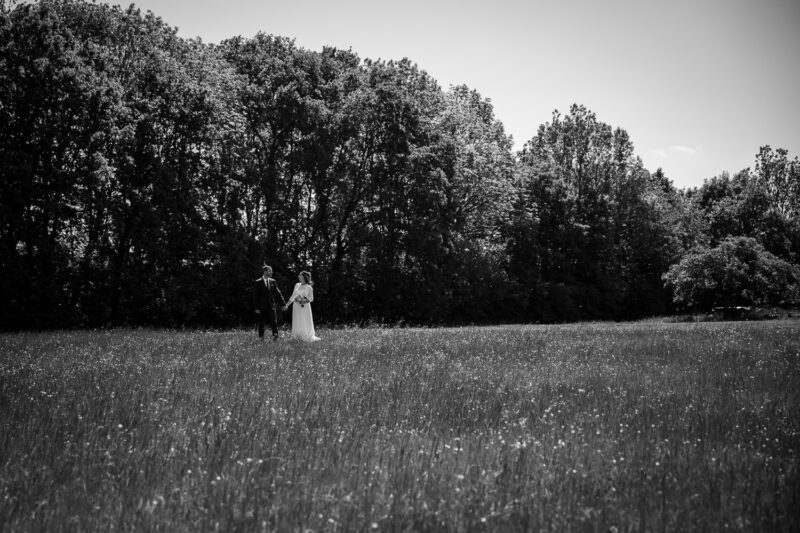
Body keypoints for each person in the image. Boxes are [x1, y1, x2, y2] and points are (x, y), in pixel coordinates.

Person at [283, 271, 320, 342]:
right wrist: (287, 305)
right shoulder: (297, 285)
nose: (298, 276)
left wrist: (302, 301)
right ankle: (297, 336)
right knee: (297, 319)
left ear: (304, 277)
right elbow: (293, 296)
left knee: (304, 320)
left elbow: (311, 299)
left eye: (300, 275)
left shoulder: (309, 287)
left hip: (305, 307)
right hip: (296, 306)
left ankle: (305, 336)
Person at [253, 264, 286, 341]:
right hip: (261, 307)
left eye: (271, 271)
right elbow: (255, 296)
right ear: (265, 272)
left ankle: (275, 337)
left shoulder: (273, 281)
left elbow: (278, 293)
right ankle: (261, 338)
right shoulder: (258, 282)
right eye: (270, 271)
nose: (272, 272)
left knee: (274, 322)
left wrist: (283, 304)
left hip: (271, 306)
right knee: (261, 323)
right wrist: (256, 307)